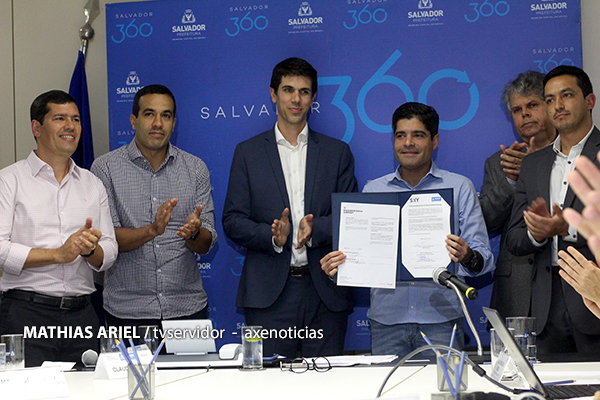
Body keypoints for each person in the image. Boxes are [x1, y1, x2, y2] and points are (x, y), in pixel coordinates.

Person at [321, 102, 494, 357]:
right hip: (386, 322)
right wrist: (338, 267)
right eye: (401, 135)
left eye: (418, 135)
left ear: (435, 141)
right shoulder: (373, 191)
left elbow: (485, 258)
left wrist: (467, 255)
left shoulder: (459, 187)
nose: (408, 143)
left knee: (444, 385)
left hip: (442, 321)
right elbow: (361, 259)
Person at [222, 57, 358, 358]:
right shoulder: (248, 152)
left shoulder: (337, 153)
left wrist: (316, 228)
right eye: (288, 90)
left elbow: (351, 216)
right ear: (273, 94)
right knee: (269, 381)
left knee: (326, 381)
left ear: (313, 97)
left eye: (304, 92)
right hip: (268, 297)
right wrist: (272, 236)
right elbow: (232, 220)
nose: (296, 99)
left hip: (326, 294)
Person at [0, 90, 118, 366]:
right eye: (60, 118)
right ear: (36, 128)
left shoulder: (92, 183)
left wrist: (90, 251)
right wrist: (58, 255)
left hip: (82, 315)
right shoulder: (9, 180)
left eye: (75, 119)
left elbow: (110, 248)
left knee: (88, 387)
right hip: (27, 314)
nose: (70, 126)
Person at [91, 84, 217, 329]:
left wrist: (194, 233)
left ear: (173, 123)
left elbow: (206, 244)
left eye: (166, 115)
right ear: (133, 120)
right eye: (149, 114)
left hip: (187, 308)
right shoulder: (105, 168)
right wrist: (152, 230)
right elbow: (107, 240)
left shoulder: (196, 169)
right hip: (127, 311)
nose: (158, 123)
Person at [505, 65, 600, 356]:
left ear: (589, 101)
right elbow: (514, 238)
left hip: (593, 296)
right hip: (545, 306)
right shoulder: (533, 164)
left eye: (566, 95)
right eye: (549, 99)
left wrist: (567, 227)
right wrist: (537, 233)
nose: (557, 105)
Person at [481, 71, 557, 319]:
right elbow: (486, 222)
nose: (524, 114)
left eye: (532, 105)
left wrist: (534, 171)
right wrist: (511, 181)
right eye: (516, 110)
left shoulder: (575, 155)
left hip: (566, 282)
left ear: (551, 106)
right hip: (516, 291)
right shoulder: (499, 163)